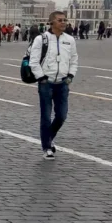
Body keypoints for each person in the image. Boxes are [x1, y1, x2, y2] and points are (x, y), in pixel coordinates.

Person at [29, 11, 78, 159]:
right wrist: (41, 77)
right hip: (46, 83)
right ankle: (46, 147)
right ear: (51, 23)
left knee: (62, 115)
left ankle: (48, 137)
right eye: (59, 20)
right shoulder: (41, 39)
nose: (63, 22)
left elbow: (74, 59)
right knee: (46, 116)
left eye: (65, 20)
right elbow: (34, 61)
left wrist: (70, 75)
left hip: (63, 83)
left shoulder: (70, 40)